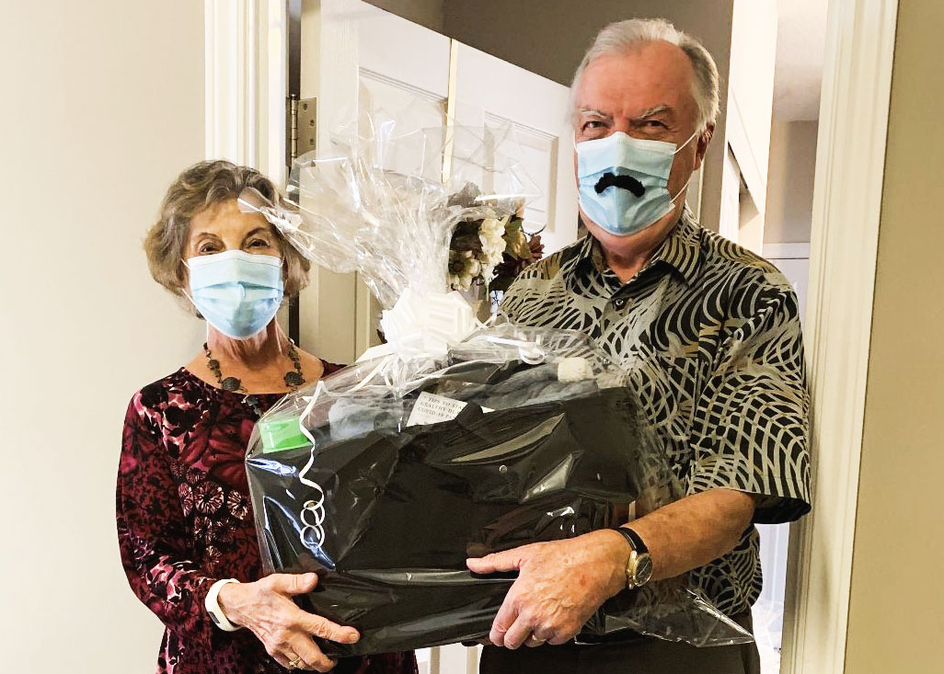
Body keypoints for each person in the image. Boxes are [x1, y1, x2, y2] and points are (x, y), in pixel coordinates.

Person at [468, 18, 811, 674]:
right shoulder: (528, 291)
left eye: (651, 124)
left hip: (679, 649)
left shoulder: (748, 292)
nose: (616, 145)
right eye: (596, 124)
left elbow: (738, 495)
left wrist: (610, 558)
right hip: (528, 640)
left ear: (699, 142)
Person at [116, 160, 417, 674]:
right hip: (222, 662)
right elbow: (147, 558)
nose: (235, 261)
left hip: (360, 657)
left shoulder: (356, 392)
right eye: (209, 247)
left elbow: (408, 524)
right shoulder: (159, 410)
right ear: (181, 272)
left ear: (287, 261)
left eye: (256, 241)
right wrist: (238, 603)